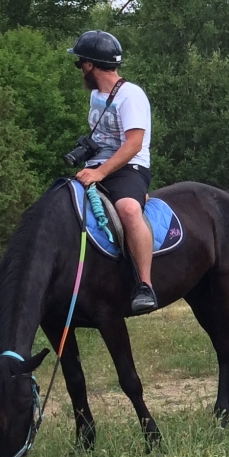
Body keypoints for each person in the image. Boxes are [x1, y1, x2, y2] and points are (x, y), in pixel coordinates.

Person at [69, 31, 159, 315]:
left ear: (89, 65)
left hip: (129, 166)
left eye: (79, 63)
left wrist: (100, 173)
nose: (79, 69)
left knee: (130, 210)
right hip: (99, 165)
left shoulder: (132, 96)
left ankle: (145, 285)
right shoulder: (97, 96)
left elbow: (133, 145)